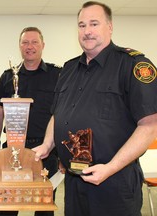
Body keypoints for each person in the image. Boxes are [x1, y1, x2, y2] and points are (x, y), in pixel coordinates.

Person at [33, 1, 157, 216]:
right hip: (74, 180)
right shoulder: (69, 69)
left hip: (114, 181)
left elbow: (150, 125)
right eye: (82, 25)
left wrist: (110, 168)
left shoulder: (132, 65)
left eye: (94, 24)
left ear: (109, 27)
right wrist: (47, 144)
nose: (87, 31)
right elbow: (58, 113)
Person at [0, 27, 62, 216]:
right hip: (12, 151)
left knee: (44, 206)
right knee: (6, 204)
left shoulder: (57, 75)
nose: (29, 47)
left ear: (42, 45)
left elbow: (61, 113)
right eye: (25, 42)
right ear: (19, 46)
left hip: (46, 152)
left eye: (34, 42)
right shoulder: (8, 76)